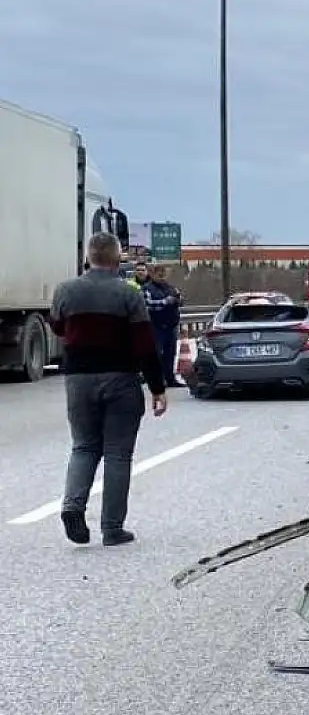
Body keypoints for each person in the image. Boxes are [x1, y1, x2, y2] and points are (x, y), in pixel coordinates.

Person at [48, 231, 168, 547]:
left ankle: (72, 506)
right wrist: (158, 387)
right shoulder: (128, 294)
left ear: (88, 257)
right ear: (118, 259)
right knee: (117, 453)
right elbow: (145, 343)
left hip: (78, 380)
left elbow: (58, 326)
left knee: (84, 446)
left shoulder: (65, 290)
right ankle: (112, 528)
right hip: (120, 379)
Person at [140, 263, 185, 388]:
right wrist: (165, 302)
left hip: (171, 326)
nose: (161, 275)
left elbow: (180, 300)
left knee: (170, 354)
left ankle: (170, 378)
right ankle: (157, 380)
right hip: (156, 326)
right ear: (152, 274)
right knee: (157, 354)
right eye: (158, 273)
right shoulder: (146, 289)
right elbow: (147, 305)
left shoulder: (171, 288)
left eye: (163, 273)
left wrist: (178, 300)